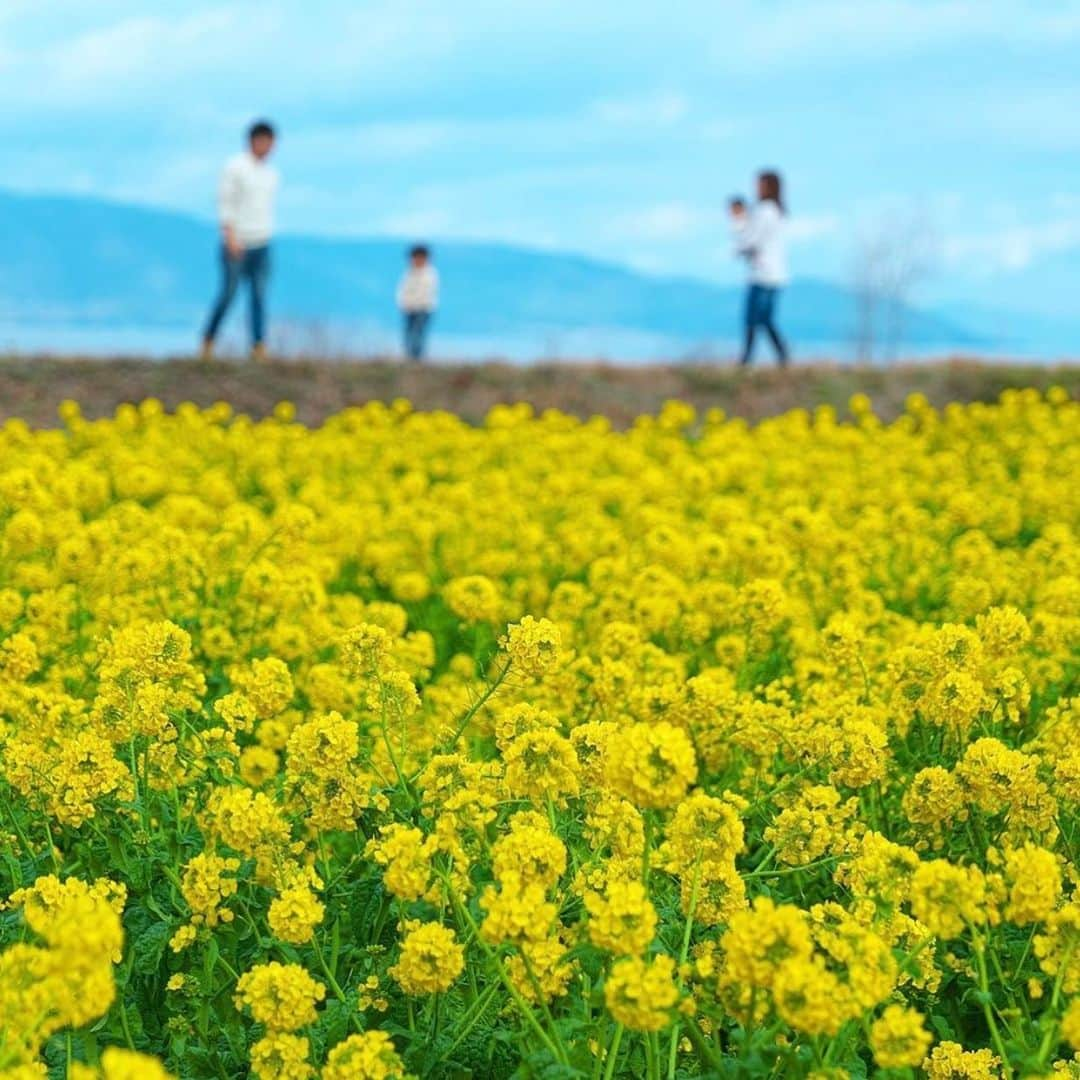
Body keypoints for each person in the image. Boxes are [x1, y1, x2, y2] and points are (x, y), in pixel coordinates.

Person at [201, 120, 279, 362]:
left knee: (259, 296)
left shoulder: (271, 174)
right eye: (265, 142)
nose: (269, 148)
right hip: (237, 241)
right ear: (254, 140)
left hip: (262, 241)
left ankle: (258, 346)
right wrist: (230, 237)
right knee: (229, 294)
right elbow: (225, 203)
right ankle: (209, 339)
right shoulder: (235, 167)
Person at [731, 170, 789, 367]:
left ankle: (748, 359)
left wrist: (739, 222)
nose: (756, 189)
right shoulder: (777, 212)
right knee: (763, 320)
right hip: (773, 274)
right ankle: (780, 356)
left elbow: (750, 240)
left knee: (754, 319)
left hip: (762, 274)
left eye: (759, 185)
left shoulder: (765, 212)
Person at [396, 245, 439, 361]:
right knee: (408, 333)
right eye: (415, 258)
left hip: (423, 309)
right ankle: (409, 356)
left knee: (418, 333)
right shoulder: (409, 273)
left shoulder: (430, 274)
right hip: (408, 309)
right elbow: (402, 290)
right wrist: (403, 303)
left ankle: (417, 357)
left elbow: (427, 293)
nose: (417, 260)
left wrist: (417, 303)